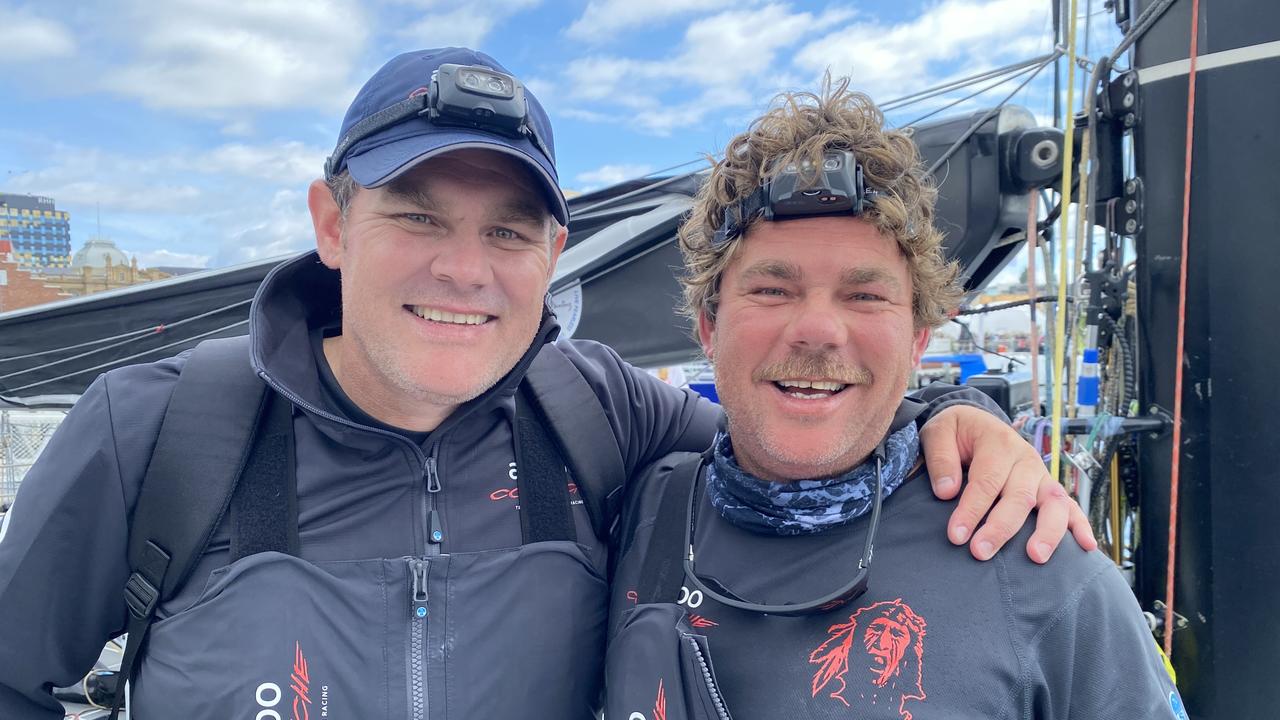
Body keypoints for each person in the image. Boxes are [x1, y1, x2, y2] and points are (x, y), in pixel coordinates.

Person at [0, 49, 1089, 720]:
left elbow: (790, 416)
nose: (463, 270)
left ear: (553, 250)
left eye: (508, 231)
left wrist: (951, 417)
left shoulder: (594, 414)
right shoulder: (160, 434)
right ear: (332, 223)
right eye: (416, 215)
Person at [605, 78, 1183, 720]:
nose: (818, 331)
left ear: (917, 339)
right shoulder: (640, 511)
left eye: (865, 295)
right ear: (709, 327)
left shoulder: (1043, 568)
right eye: (772, 289)